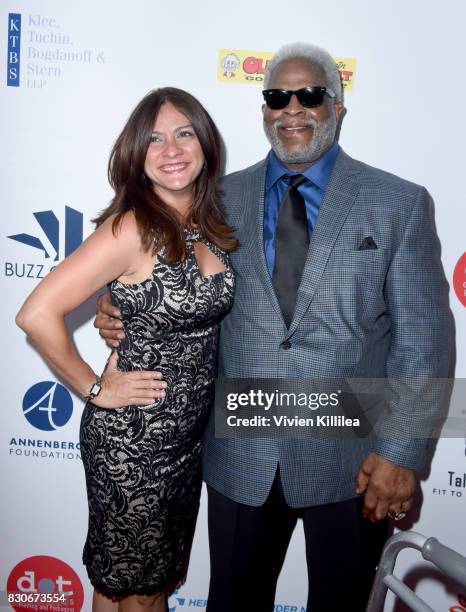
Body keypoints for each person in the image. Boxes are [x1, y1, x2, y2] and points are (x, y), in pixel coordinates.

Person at [95, 43, 451, 612]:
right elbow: (164, 279)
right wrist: (117, 307)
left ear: (336, 107)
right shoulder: (212, 199)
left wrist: (402, 454)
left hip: (351, 461)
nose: (292, 108)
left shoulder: (398, 203)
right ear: (263, 110)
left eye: (310, 94)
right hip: (241, 455)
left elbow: (424, 339)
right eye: (276, 96)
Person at [16, 87, 236, 612]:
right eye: (154, 139)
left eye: (184, 133)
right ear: (137, 156)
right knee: (136, 590)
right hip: (132, 444)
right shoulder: (132, 226)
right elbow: (36, 314)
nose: (171, 149)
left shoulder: (207, 225)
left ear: (205, 143)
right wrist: (95, 387)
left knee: (140, 585)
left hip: (184, 444)